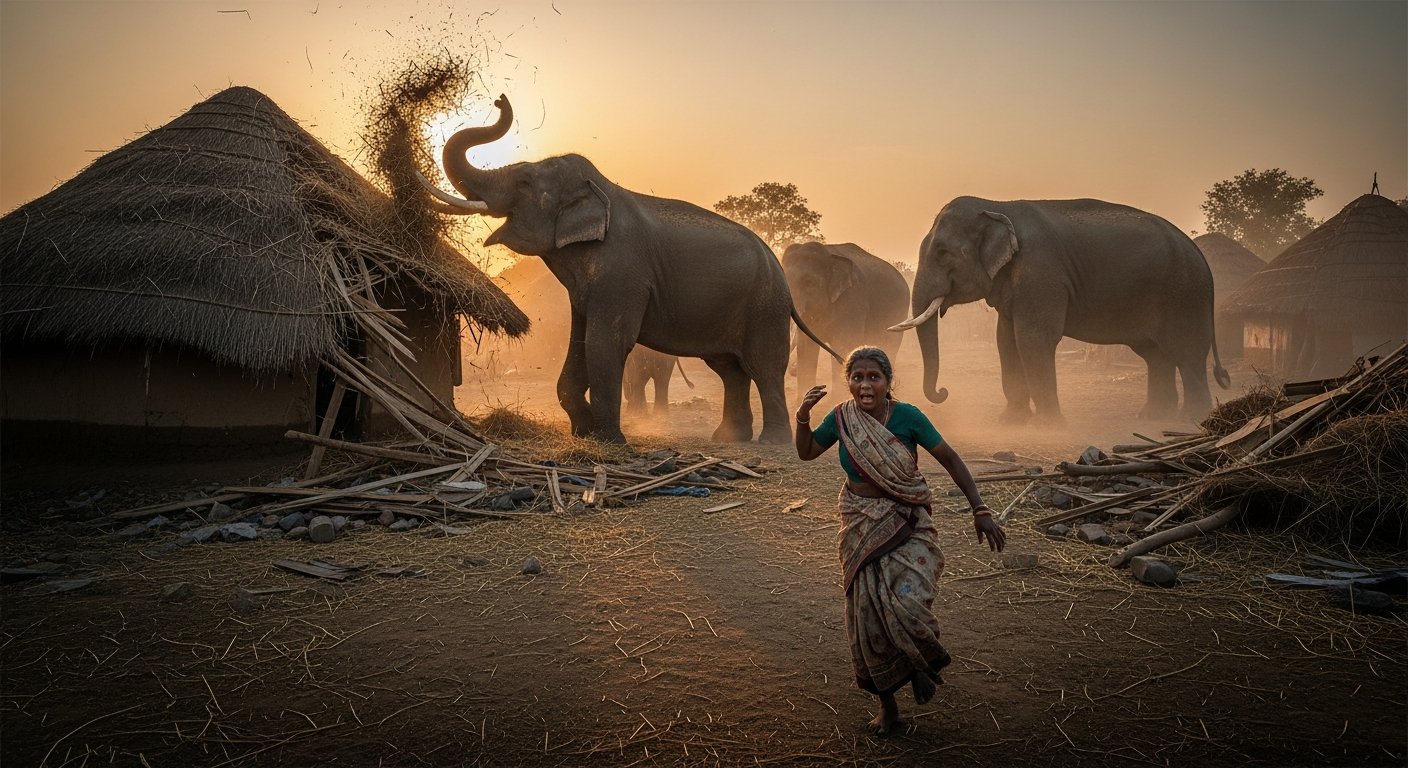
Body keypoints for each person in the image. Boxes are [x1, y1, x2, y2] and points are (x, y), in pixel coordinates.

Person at [794, 345, 1005, 735]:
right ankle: (888, 708)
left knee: (908, 605)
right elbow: (806, 452)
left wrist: (980, 508)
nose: (865, 385)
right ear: (849, 383)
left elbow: (950, 459)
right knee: (869, 618)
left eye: (873, 377)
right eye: (857, 377)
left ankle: (919, 663)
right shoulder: (841, 418)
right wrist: (803, 417)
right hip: (860, 527)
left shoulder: (909, 417)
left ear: (888, 382)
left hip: (907, 523)